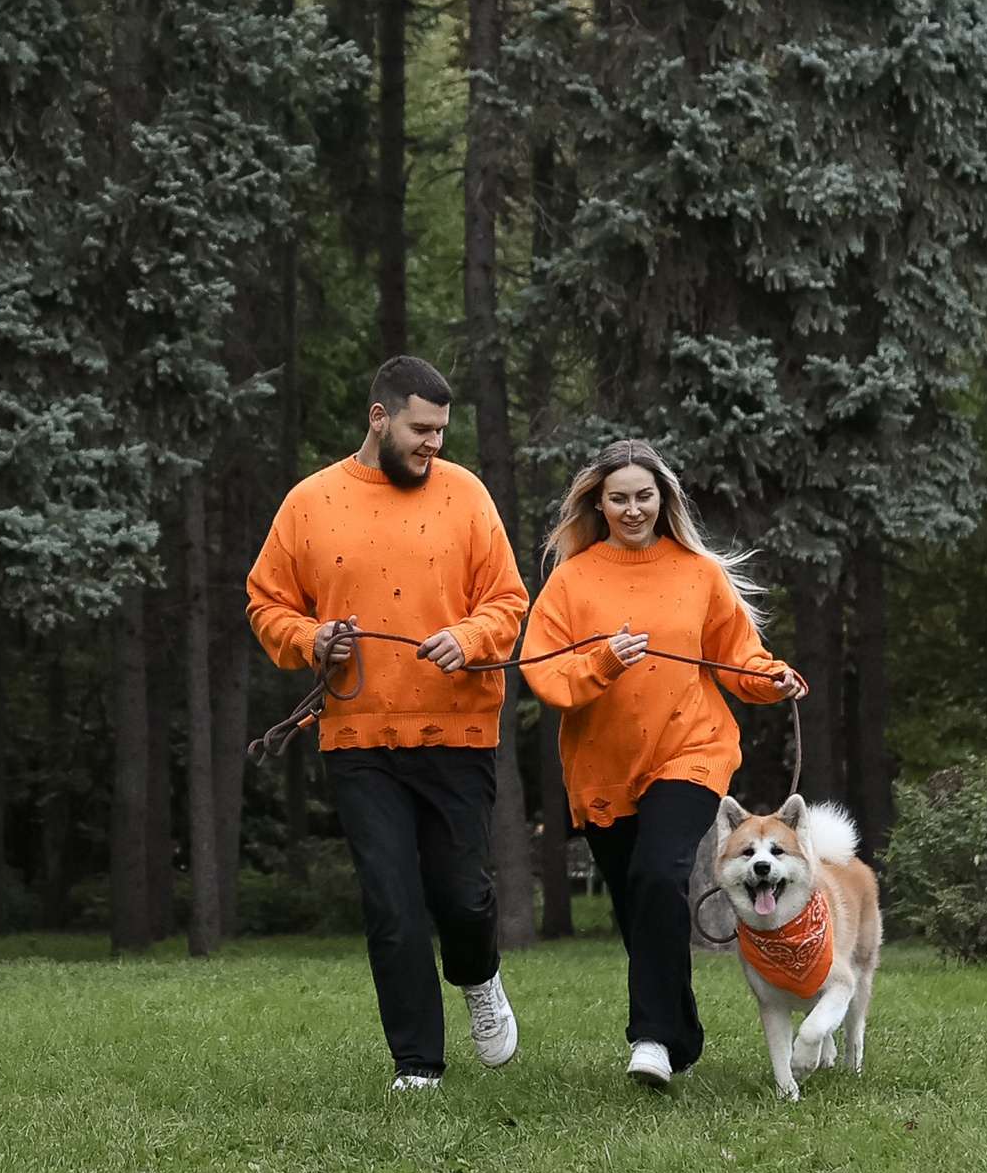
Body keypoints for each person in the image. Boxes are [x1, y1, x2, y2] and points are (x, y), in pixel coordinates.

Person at [245, 357, 530, 1092]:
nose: (433, 442)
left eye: (441, 430)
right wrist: (311, 640)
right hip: (357, 736)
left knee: (461, 895)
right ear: (380, 419)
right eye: (421, 429)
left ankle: (479, 977)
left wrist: (465, 640)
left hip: (458, 732)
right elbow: (266, 601)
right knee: (391, 902)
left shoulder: (466, 495)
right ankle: (417, 1063)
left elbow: (507, 601)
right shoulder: (311, 502)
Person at [517, 436, 804, 1090]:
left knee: (656, 873)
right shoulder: (572, 581)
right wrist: (603, 660)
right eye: (618, 498)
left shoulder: (697, 573)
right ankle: (682, 1031)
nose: (633, 508)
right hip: (602, 767)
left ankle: (650, 1038)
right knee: (638, 902)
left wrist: (774, 678)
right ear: (600, 502)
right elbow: (546, 675)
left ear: (663, 499)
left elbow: (738, 656)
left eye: (644, 496)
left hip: (690, 750)